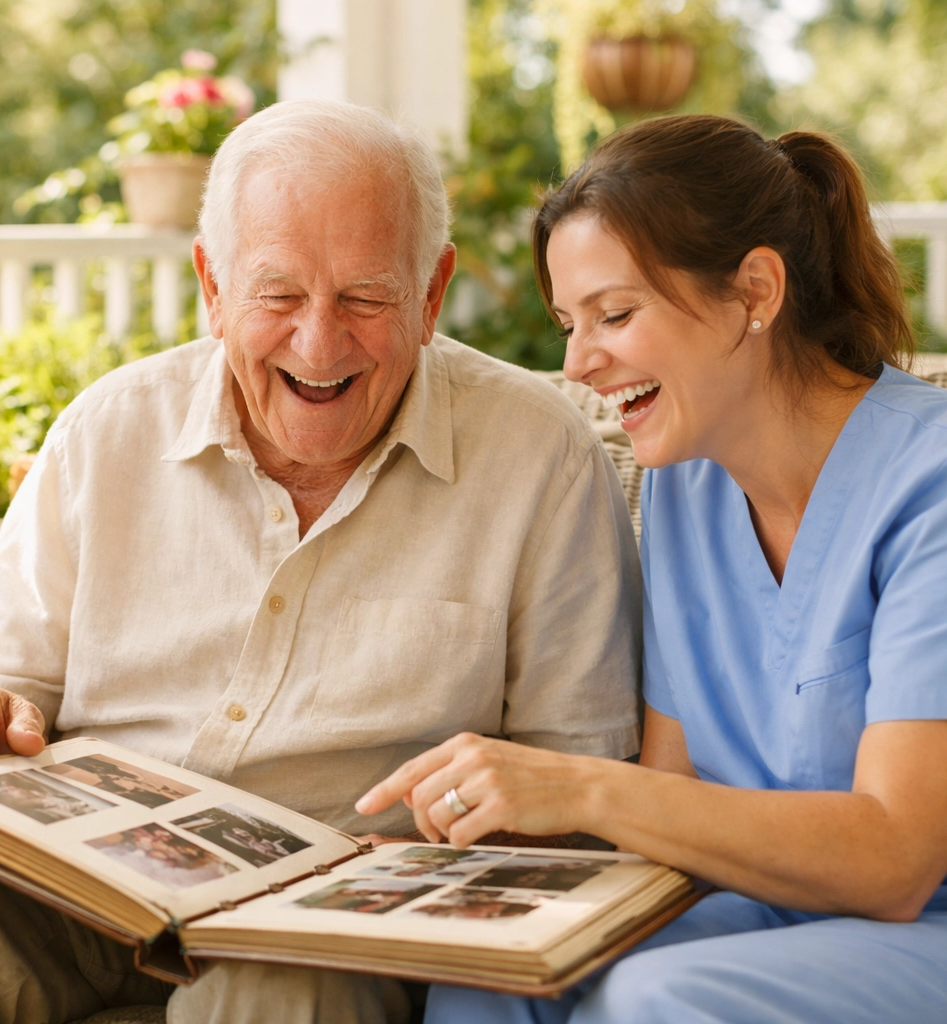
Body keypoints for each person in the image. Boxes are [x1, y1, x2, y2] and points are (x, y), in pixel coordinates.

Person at [0, 100, 641, 1024]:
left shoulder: (543, 459)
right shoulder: (105, 433)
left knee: (284, 982)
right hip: (81, 894)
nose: (319, 344)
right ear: (212, 285)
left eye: (365, 298)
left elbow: (576, 789)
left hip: (336, 927)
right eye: (278, 296)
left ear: (431, 294)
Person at [357, 115, 947, 1023]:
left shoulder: (929, 485)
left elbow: (896, 859)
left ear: (755, 290)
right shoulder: (685, 486)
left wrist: (579, 787)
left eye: (616, 315)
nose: (576, 362)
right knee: (490, 974)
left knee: (653, 996)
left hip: (919, 925)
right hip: (762, 910)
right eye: (569, 323)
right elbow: (671, 801)